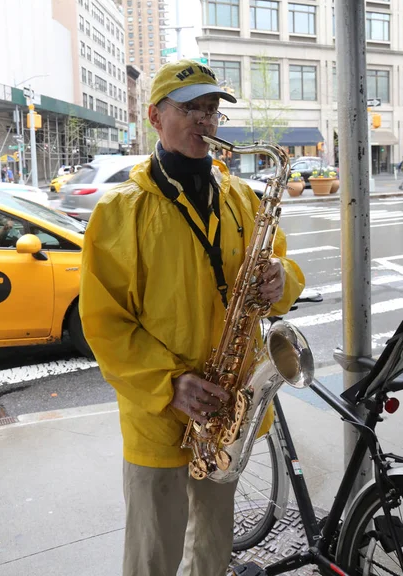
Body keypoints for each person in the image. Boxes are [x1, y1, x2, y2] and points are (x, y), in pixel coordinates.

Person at [79, 59, 304, 576]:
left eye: (211, 109)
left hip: (227, 411)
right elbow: (105, 324)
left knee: (213, 552)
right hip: (160, 415)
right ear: (156, 117)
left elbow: (284, 274)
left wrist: (279, 280)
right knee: (152, 555)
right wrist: (169, 383)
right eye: (190, 109)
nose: (205, 120)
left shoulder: (244, 199)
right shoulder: (120, 211)